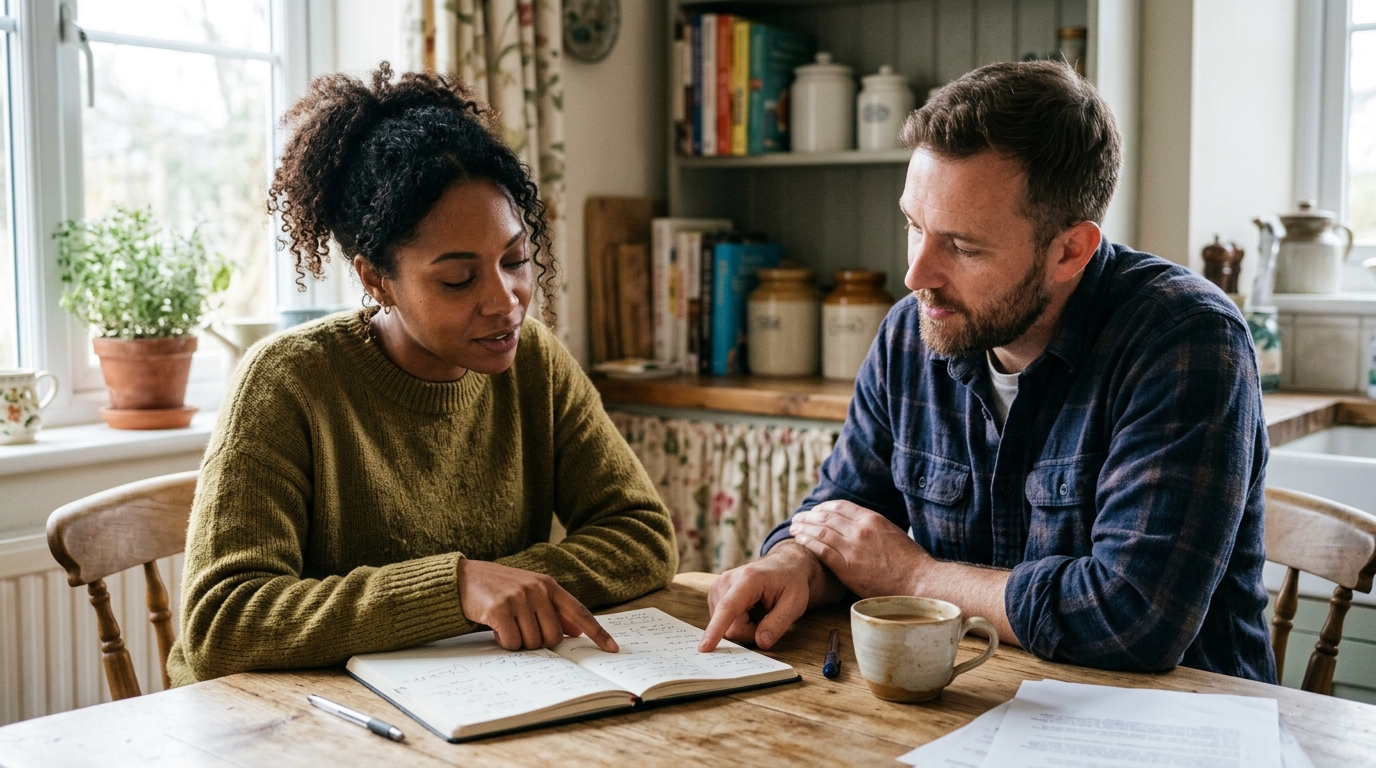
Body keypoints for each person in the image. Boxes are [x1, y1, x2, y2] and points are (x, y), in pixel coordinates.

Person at [699, 60, 1275, 683]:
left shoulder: (1186, 341)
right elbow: (845, 511)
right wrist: (796, 564)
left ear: (1069, 251)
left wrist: (916, 577)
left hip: (1180, 723)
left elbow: (1134, 619)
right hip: (984, 704)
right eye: (913, 227)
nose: (917, 275)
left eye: (964, 247)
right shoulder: (913, 331)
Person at [167, 64, 678, 685]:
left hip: (469, 695)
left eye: (515, 258)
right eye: (459, 278)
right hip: (284, 725)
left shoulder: (534, 362)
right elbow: (223, 622)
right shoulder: (287, 382)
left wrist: (508, 591)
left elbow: (642, 535)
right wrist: (456, 588)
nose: (506, 300)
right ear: (375, 279)